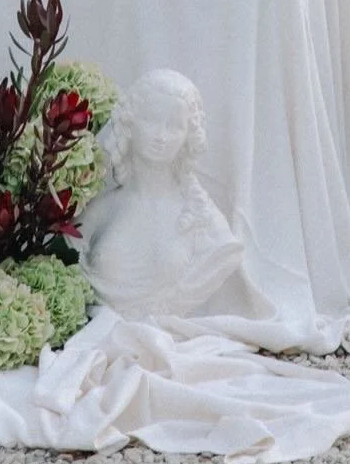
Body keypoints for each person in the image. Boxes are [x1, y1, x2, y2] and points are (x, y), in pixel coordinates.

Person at [79, 69, 243, 320]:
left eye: (175, 126)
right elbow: (69, 256)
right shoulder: (101, 211)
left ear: (189, 134)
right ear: (130, 122)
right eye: (152, 120)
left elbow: (224, 257)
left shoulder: (202, 219)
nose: (161, 136)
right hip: (102, 335)